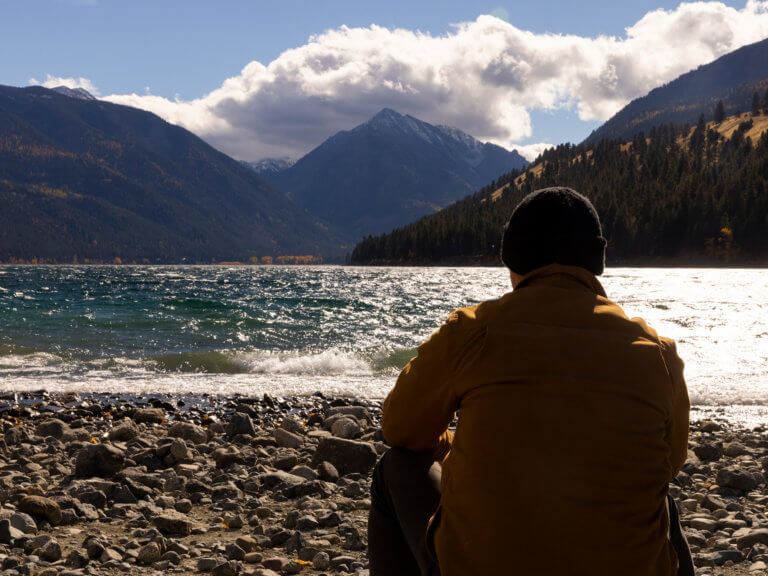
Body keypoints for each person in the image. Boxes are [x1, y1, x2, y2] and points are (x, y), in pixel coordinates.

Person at [368, 187, 694, 576]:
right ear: (596, 262)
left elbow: (400, 429)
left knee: (397, 466)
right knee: (661, 502)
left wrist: (458, 449)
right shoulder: (658, 353)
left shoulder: (473, 331)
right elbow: (668, 463)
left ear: (513, 260)